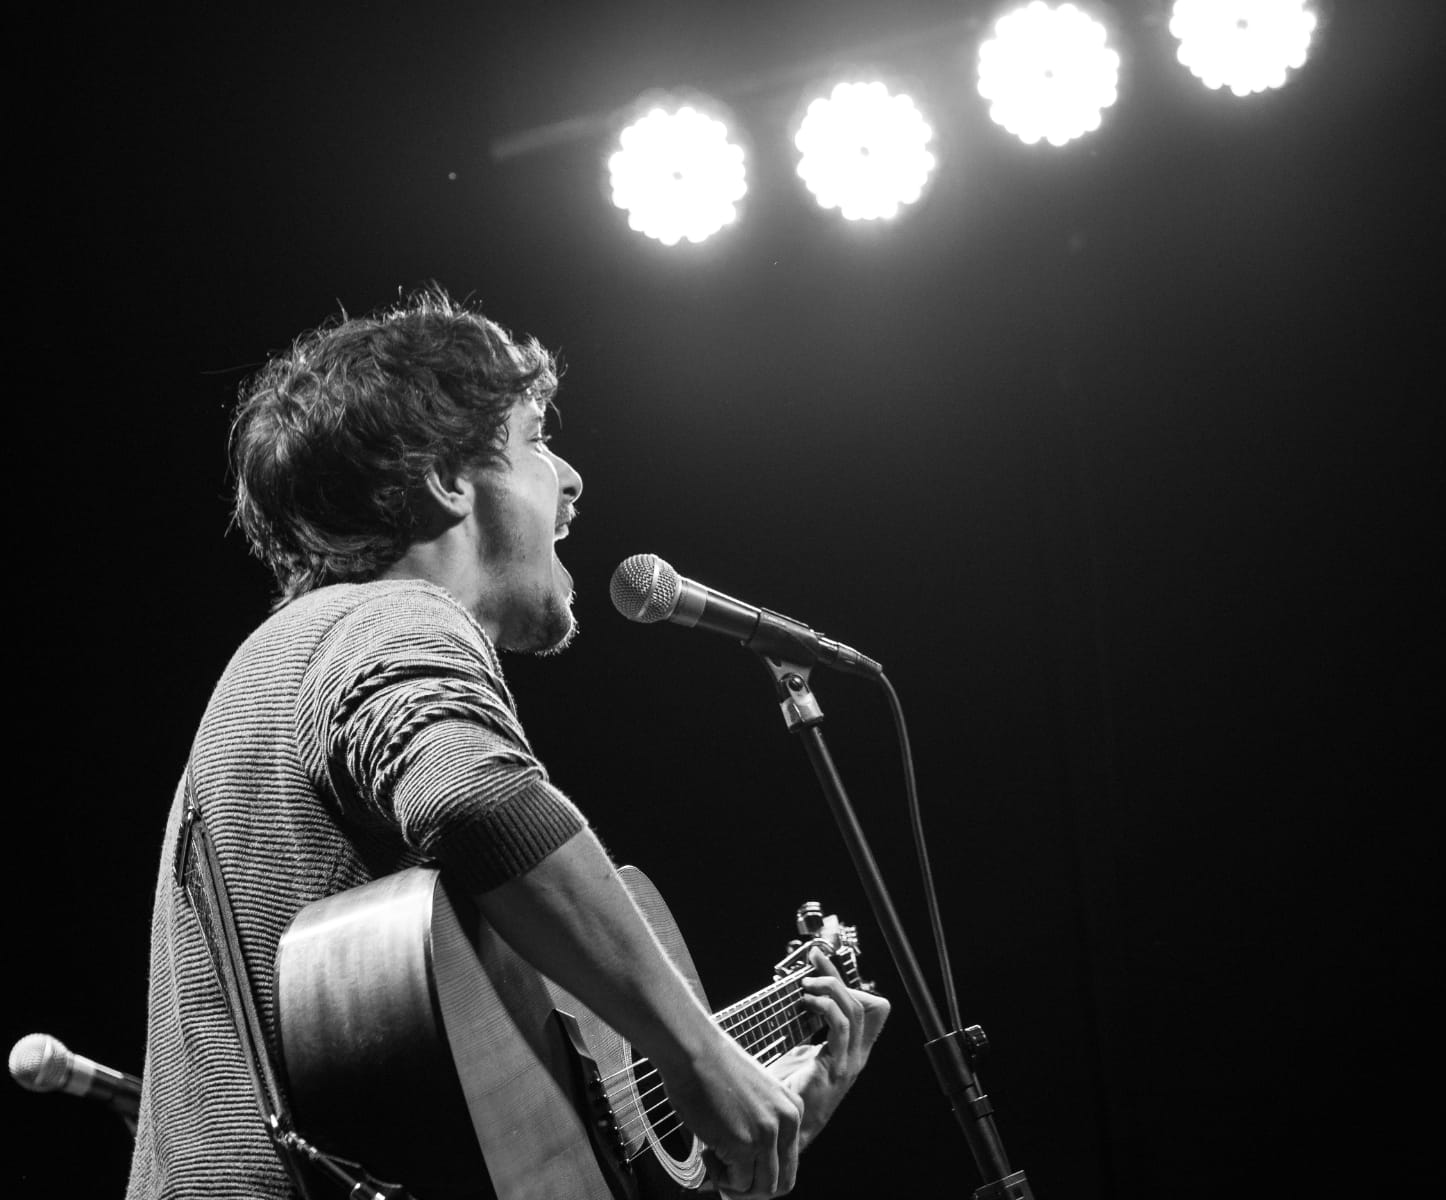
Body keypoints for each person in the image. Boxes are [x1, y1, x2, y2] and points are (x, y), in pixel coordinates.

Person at [126, 288, 889, 1199]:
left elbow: (448, 1138)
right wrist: (700, 1059)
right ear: (448, 478)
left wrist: (739, 1148)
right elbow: (472, 796)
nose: (570, 479)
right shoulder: (388, 615)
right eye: (535, 439)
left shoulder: (298, 653)